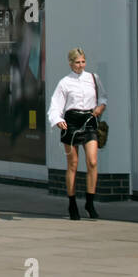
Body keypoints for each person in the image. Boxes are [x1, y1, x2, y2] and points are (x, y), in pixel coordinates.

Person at [48, 47, 106, 220]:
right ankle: (72, 203)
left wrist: (101, 106)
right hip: (71, 122)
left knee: (93, 162)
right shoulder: (64, 82)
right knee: (73, 164)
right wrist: (57, 120)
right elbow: (55, 105)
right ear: (70, 63)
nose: (80, 65)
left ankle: (90, 202)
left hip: (89, 120)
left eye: (82, 62)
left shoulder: (94, 78)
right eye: (77, 62)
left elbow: (103, 97)